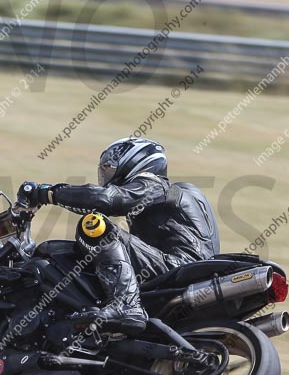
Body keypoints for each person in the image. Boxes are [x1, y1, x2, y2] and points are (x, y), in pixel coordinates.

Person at [19, 137, 219, 332]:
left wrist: (47, 193)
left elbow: (106, 199)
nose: (106, 176)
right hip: (181, 269)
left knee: (94, 225)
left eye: (110, 168)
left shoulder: (156, 185)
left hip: (179, 268)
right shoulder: (165, 195)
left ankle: (126, 305)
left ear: (136, 161)